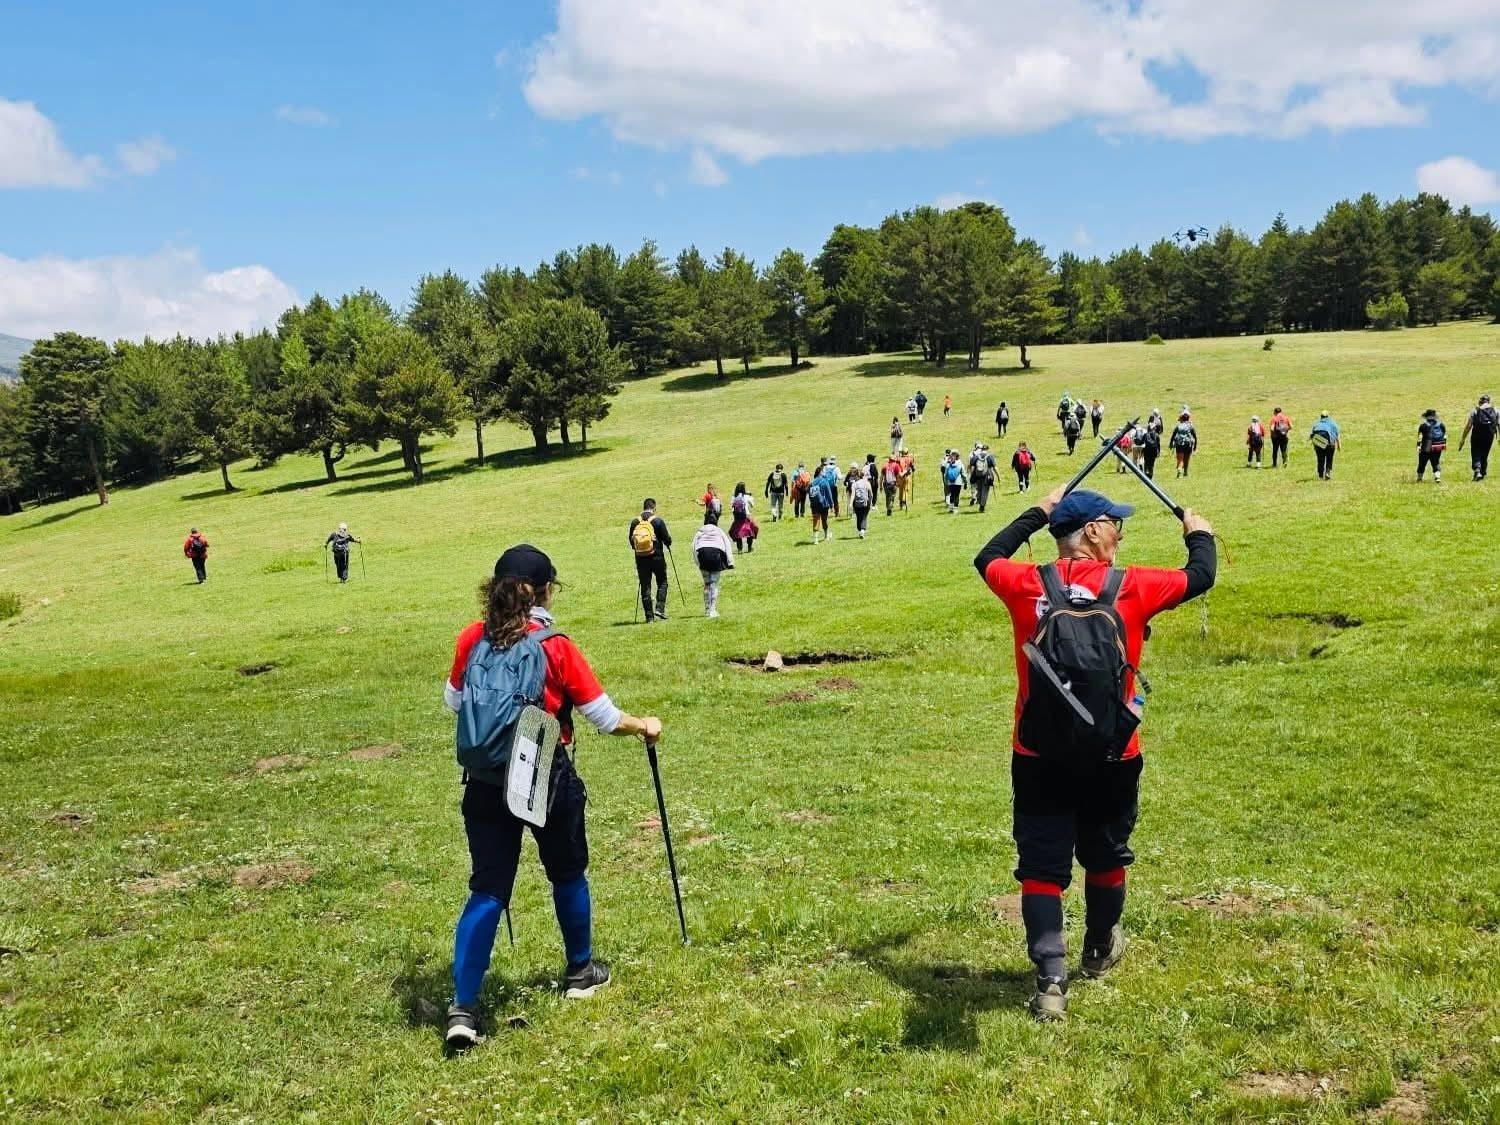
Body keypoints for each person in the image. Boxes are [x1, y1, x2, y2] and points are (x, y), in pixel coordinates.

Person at [973, 488, 1216, 1022]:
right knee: (1106, 854)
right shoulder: (1132, 585)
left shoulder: (1025, 584)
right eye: (1113, 523)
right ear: (1089, 532)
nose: (1120, 532)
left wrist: (1038, 509)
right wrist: (1198, 531)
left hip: (1036, 753)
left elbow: (987, 557)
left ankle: (1051, 983)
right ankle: (1101, 948)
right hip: (1115, 752)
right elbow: (1201, 576)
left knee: (1041, 865)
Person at [442, 545, 663, 1049]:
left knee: (488, 889)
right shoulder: (555, 645)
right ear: (544, 591)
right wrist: (645, 725)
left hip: (484, 783)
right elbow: (605, 718)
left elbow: (452, 702)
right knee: (566, 871)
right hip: (545, 772)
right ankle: (581, 971)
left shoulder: (471, 639)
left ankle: (464, 1007)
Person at [628, 500, 672, 623]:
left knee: (645, 586)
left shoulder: (635, 522)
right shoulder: (657, 521)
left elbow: (632, 542)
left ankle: (649, 617)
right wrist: (667, 543)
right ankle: (660, 608)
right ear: (654, 508)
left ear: (644, 508)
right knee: (662, 582)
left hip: (641, 559)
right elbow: (667, 539)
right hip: (657, 557)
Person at [692, 509, 735, 618]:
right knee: (714, 583)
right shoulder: (719, 531)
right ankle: (712, 610)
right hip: (716, 555)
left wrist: (697, 562)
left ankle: (707, 610)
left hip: (702, 555)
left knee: (707, 584)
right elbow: (727, 546)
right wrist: (730, 562)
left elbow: (693, 547)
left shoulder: (700, 531)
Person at [1459, 393, 1498, 481]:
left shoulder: (1475, 410)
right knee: (1485, 453)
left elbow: (1469, 425)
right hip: (1489, 435)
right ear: (1489, 401)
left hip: (1477, 435)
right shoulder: (1495, 410)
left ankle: (1477, 471)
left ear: (1480, 402)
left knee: (1476, 452)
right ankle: (1482, 473)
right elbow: (1498, 424)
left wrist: (1463, 438)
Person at [809, 459, 837, 542]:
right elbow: (829, 495)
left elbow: (809, 493)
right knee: (824, 520)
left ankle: (815, 539)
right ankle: (826, 536)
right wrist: (832, 505)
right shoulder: (824, 481)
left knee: (816, 520)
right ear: (821, 472)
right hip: (824, 504)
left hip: (814, 505)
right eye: (824, 471)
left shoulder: (812, 482)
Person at [1416, 409, 1447, 483]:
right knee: (1436, 462)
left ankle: (1419, 478)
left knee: (1422, 463)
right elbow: (1444, 435)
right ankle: (1437, 477)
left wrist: (1418, 446)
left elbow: (1420, 437)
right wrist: (1443, 445)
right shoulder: (1441, 424)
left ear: (1426, 417)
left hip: (1426, 447)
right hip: (1437, 447)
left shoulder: (1423, 426)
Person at [1310, 411, 1341, 479]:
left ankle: (1320, 475)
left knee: (1320, 459)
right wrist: (1339, 445)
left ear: (1321, 416)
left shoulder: (1316, 424)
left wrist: (1315, 446)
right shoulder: (1333, 424)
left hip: (1319, 444)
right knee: (1329, 459)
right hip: (1330, 444)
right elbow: (1337, 435)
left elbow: (1313, 436)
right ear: (1328, 416)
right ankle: (1327, 472)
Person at [729, 482, 759, 552]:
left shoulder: (734, 497)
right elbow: (752, 505)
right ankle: (749, 547)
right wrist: (751, 497)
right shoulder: (746, 496)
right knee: (751, 531)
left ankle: (739, 549)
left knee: (738, 533)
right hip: (747, 517)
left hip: (737, 518)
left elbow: (732, 508)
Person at [1170, 412, 1197, 478]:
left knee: (1180, 458)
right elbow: (1195, 436)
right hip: (1188, 444)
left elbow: (1173, 435)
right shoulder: (1190, 426)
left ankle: (1179, 468)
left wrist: (1171, 443)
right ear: (1188, 418)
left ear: (1182, 418)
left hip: (1179, 444)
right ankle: (1185, 473)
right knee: (1186, 458)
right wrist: (1195, 446)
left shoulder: (1178, 426)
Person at [850, 466, 874, 538]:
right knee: (864, 517)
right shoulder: (867, 483)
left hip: (857, 504)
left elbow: (853, 495)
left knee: (858, 517)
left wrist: (851, 504)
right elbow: (871, 494)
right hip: (866, 503)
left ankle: (860, 530)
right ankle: (862, 530)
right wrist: (871, 502)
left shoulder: (854, 484)